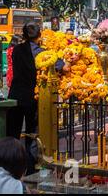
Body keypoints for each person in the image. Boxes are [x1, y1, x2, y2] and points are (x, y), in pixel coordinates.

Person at [7, 22, 71, 175]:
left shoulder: (16, 50)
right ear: (39, 36)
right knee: (33, 134)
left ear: (23, 35)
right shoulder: (42, 53)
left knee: (12, 133)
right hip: (32, 98)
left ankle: (9, 166)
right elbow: (65, 68)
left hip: (15, 95)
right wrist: (69, 58)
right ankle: (31, 168)